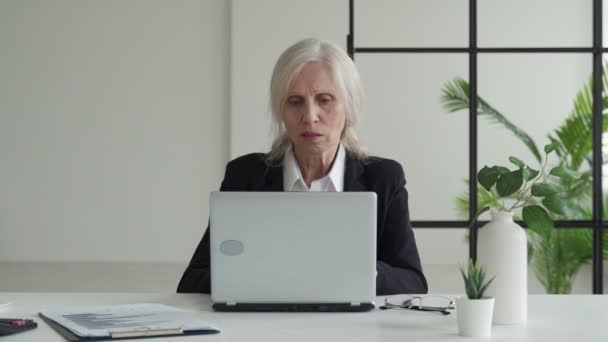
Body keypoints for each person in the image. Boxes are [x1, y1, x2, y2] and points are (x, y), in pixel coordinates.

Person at [177, 38, 428, 295]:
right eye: (295, 101)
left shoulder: (383, 178)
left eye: (325, 100)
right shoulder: (245, 176)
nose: (309, 117)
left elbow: (413, 282)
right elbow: (192, 281)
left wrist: (364, 270)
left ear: (349, 107)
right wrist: (262, 273)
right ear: (281, 111)